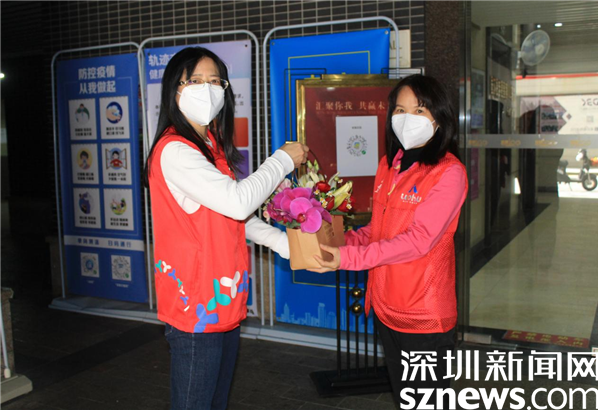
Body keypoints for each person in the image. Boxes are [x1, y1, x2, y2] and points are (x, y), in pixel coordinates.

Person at [144, 47, 308, 410]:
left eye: (215, 81)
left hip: (222, 300)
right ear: (174, 90)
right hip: (196, 306)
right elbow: (237, 201)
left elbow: (232, 217)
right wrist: (282, 160)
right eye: (195, 80)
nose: (207, 88)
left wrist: (285, 245)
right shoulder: (175, 150)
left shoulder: (209, 145)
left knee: (215, 402)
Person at [311, 74, 468, 409]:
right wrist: (337, 242)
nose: (408, 118)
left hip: (422, 315)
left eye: (420, 110)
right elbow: (378, 231)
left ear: (440, 118)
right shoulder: (389, 165)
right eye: (400, 110)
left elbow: (419, 241)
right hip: (386, 308)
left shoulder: (448, 172)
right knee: (406, 398)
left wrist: (347, 260)